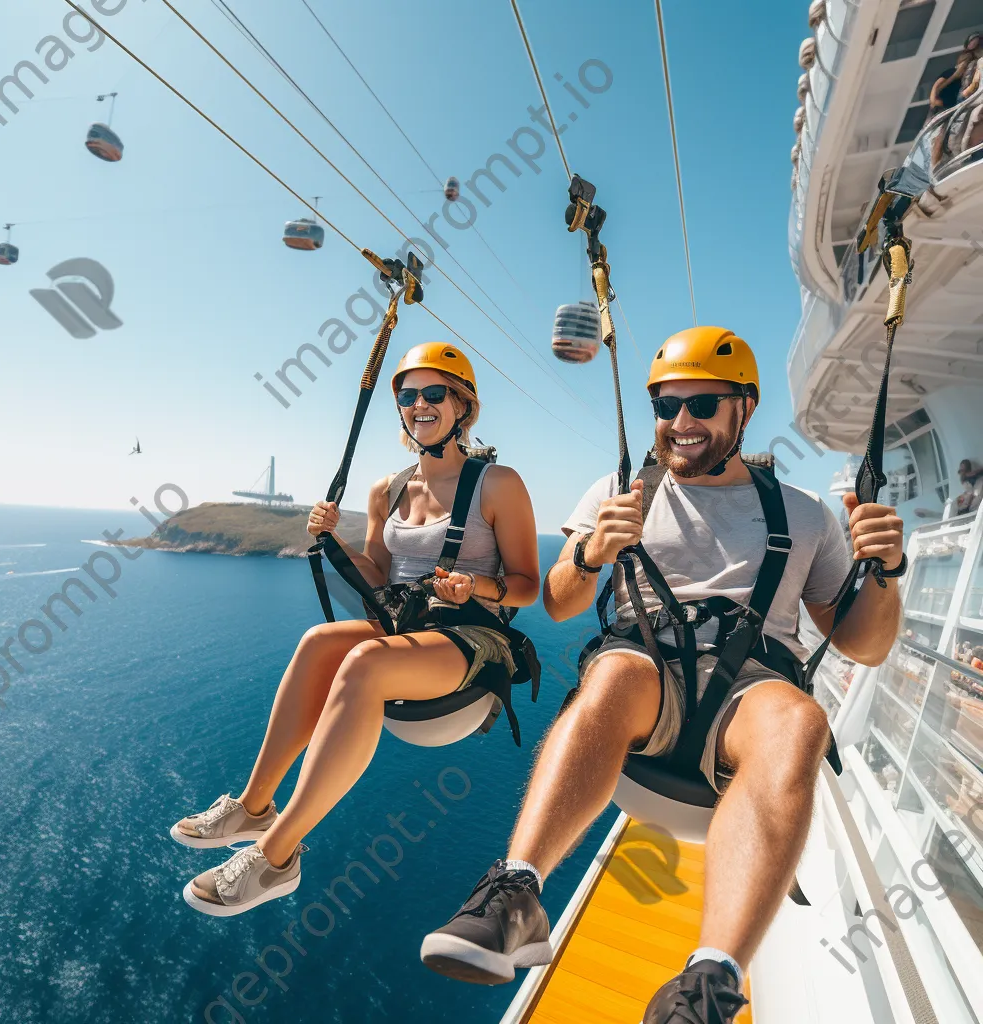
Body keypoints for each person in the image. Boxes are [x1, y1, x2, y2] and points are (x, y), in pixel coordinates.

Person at [421, 327, 906, 1023]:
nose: (680, 423)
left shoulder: (804, 514)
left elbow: (863, 644)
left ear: (744, 409)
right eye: (665, 405)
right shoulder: (621, 492)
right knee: (614, 676)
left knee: (802, 720)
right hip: (645, 678)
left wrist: (884, 575)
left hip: (750, 694)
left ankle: (710, 981)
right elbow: (559, 602)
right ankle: (518, 893)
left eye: (702, 405)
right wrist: (589, 553)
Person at [169, 342, 540, 916]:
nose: (420, 405)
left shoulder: (498, 484)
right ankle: (254, 804)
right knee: (318, 642)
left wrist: (475, 587)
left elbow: (525, 585)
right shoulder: (386, 490)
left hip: (474, 637)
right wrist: (332, 541)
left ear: (462, 405)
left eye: (434, 393)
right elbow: (376, 576)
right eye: (408, 395)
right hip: (407, 623)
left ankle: (276, 857)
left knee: (364, 664)